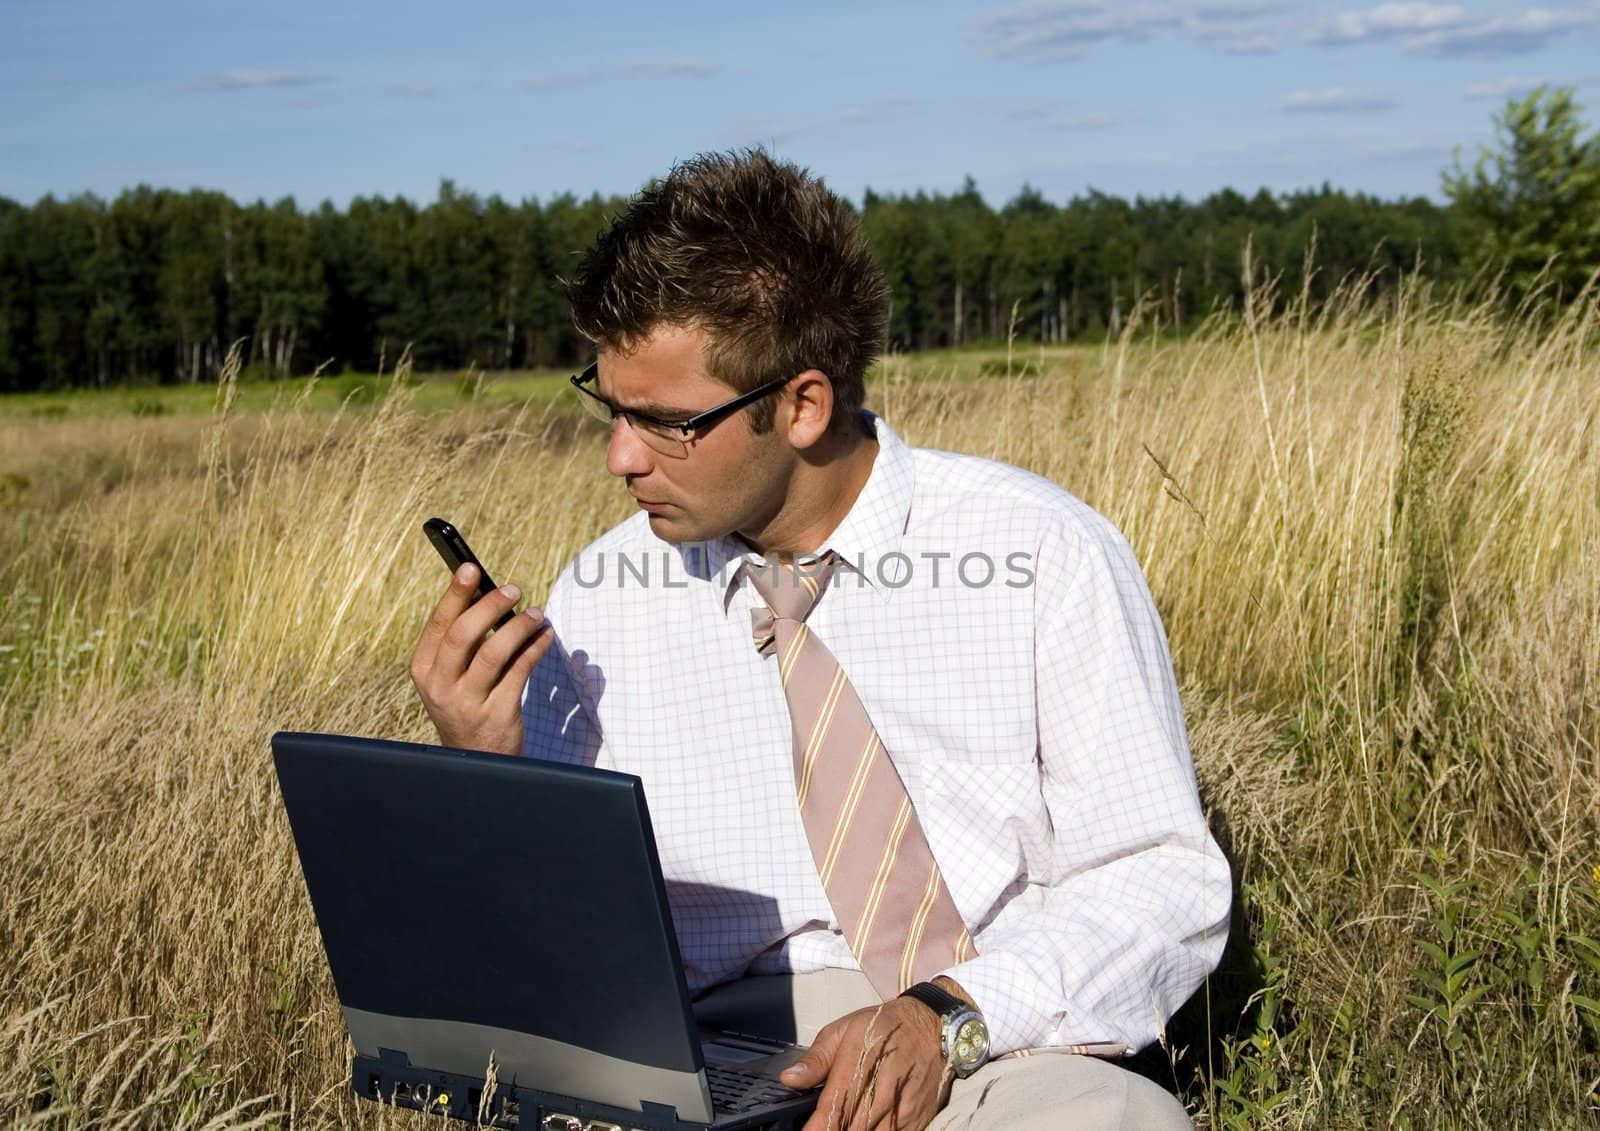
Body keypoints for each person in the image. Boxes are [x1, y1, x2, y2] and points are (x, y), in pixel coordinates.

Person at [410, 150, 1230, 1131]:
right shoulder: (600, 589)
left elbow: (1159, 882)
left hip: (985, 1039)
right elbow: (560, 933)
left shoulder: (1044, 554)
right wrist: (486, 769)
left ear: (801, 405)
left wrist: (950, 1019)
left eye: (664, 424)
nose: (618, 458)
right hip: (694, 1053)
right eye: (608, 403)